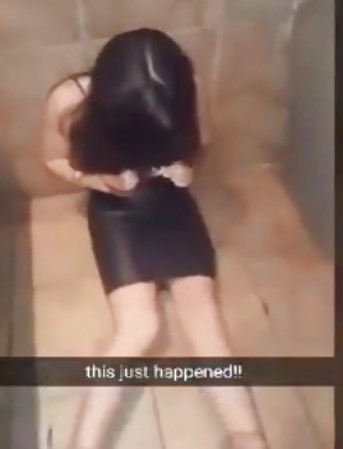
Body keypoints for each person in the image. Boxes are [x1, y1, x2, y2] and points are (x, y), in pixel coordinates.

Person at [35, 28, 268, 449]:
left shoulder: (183, 87)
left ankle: (247, 437)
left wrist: (186, 170)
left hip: (170, 202)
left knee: (204, 317)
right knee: (139, 326)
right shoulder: (70, 99)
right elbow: (53, 159)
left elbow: (200, 143)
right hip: (116, 207)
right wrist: (102, 181)